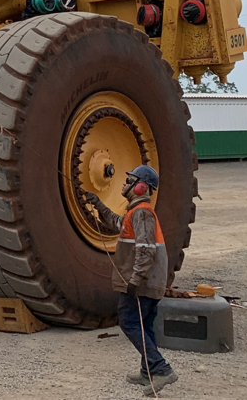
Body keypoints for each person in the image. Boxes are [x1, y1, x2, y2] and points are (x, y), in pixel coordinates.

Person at [84, 165, 179, 396]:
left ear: (140, 187)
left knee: (128, 322)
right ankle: (148, 371)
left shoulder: (142, 213)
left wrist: (135, 280)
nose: (125, 184)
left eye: (129, 180)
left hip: (143, 282)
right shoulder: (135, 213)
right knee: (145, 325)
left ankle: (161, 369)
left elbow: (146, 250)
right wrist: (97, 204)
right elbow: (117, 224)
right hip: (149, 281)